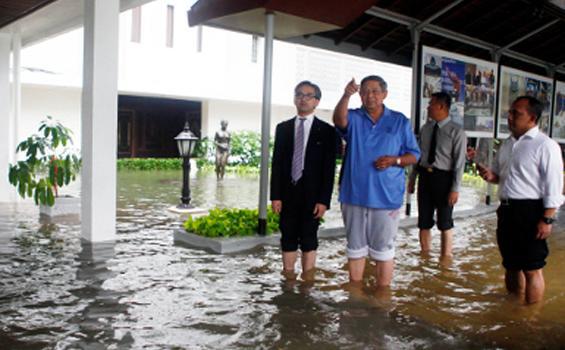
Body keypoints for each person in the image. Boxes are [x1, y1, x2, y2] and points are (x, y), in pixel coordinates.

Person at [472, 96, 563, 304]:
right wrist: (489, 175)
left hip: (531, 211)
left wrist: (547, 219)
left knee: (532, 268)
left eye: (516, 113)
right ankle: (513, 307)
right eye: (510, 112)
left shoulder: (546, 145)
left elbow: (554, 185)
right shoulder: (508, 144)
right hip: (506, 209)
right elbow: (499, 176)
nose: (510, 117)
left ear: (532, 117)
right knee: (511, 264)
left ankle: (530, 317)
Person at [333, 76, 420, 287]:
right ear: (359, 95)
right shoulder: (354, 117)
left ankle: (382, 296)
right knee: (355, 248)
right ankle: (355, 294)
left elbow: (414, 155)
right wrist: (346, 95)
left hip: (386, 196)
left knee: (383, 250)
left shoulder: (399, 121)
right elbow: (338, 121)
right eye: (364, 91)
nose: (369, 95)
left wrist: (394, 160)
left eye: (374, 91)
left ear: (384, 94)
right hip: (354, 194)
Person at [270, 81, 337, 280]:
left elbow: (328, 169)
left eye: (308, 95)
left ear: (317, 101)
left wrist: (324, 200)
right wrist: (275, 196)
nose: (303, 99)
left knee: (309, 236)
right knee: (288, 235)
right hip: (288, 192)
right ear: (294, 98)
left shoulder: (327, 131)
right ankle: (288, 279)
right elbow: (277, 164)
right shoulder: (283, 128)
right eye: (299, 94)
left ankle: (308, 280)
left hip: (313, 195)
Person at [408, 92, 467, 260]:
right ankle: (425, 257)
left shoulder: (457, 132)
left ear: (441, 106)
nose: (428, 107)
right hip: (425, 178)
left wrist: (455, 189)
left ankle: (445, 259)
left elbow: (459, 163)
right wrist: (412, 179)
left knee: (445, 222)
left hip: (444, 179)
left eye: (431, 104)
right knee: (424, 221)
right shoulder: (426, 129)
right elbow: (419, 156)